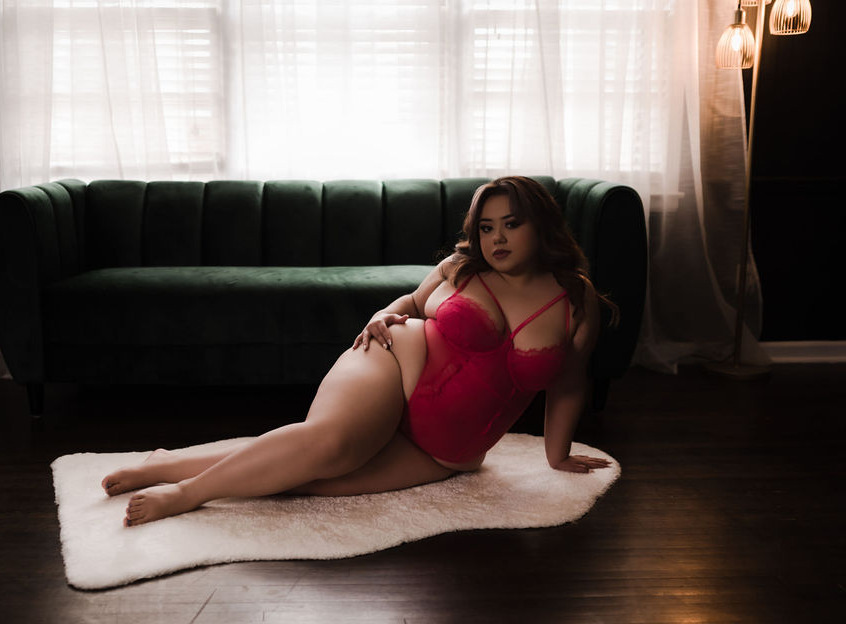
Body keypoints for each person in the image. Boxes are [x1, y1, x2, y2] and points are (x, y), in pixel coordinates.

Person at [103, 176, 614, 527]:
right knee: (328, 446)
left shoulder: (573, 297)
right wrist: (378, 316)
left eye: (511, 223)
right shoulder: (463, 269)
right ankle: (183, 493)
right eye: (486, 226)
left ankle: (171, 464)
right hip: (392, 362)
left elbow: (569, 381)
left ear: (540, 225)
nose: (496, 237)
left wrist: (558, 455)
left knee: (305, 479)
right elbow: (412, 303)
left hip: (444, 453)